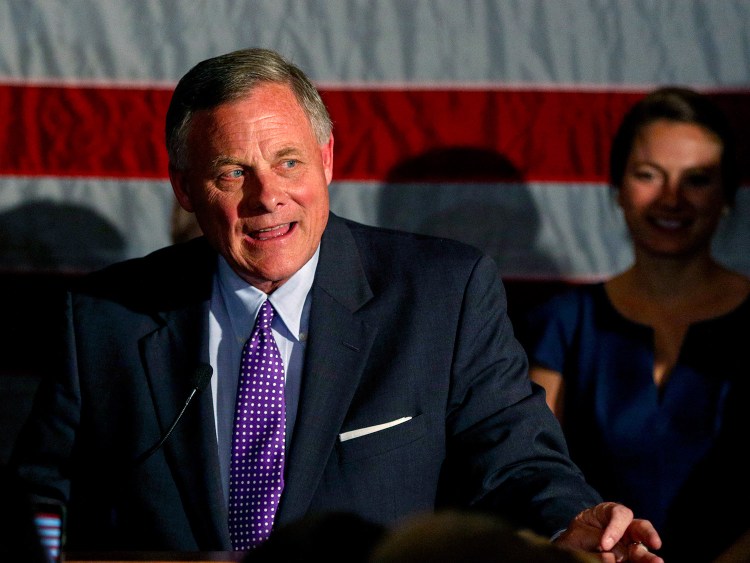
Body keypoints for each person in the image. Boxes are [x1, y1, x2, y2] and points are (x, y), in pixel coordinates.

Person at [10, 47, 661, 561]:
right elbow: (40, 498)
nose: (268, 196)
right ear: (184, 187)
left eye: (287, 161)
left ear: (326, 159)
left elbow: (516, 461)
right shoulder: (105, 317)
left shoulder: (441, 293)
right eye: (233, 172)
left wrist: (571, 525)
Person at [524, 87, 749, 562]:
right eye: (649, 175)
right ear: (617, 188)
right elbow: (528, 474)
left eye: (697, 179)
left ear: (727, 195)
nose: (672, 199)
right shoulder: (562, 324)